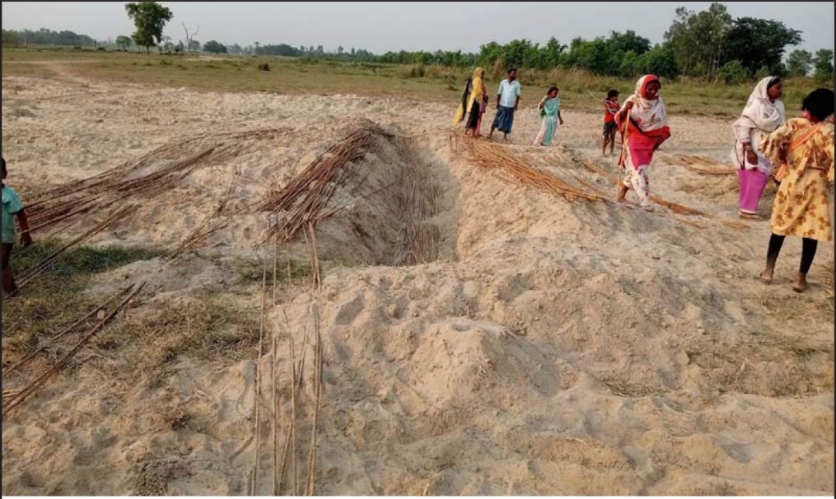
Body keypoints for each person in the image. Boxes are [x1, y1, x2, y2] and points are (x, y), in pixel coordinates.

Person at [758, 88, 834, 292]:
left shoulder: (793, 124)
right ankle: (800, 279)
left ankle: (768, 271)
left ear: (807, 106)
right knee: (810, 231)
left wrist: (783, 155)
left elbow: (771, 140)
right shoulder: (829, 132)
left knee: (779, 227)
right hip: (816, 185)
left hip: (791, 180)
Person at [730, 76, 786, 219]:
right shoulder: (756, 104)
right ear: (766, 89)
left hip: (768, 145)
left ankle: (746, 209)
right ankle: (748, 210)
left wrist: (782, 146)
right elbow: (743, 126)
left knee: (759, 176)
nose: (781, 91)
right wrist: (748, 149)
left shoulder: (779, 106)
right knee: (754, 175)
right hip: (752, 142)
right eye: (777, 88)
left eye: (781, 87)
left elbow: (782, 127)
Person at [614, 74, 671, 211]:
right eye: (650, 89)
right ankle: (645, 202)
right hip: (633, 140)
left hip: (649, 142)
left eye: (656, 89)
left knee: (632, 171)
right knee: (640, 170)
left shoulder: (658, 103)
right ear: (642, 87)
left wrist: (657, 142)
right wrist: (625, 109)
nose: (653, 92)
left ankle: (620, 196)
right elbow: (619, 119)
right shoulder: (633, 100)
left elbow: (662, 123)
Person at [2, 157, 34, 297]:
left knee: (2, 262)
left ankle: (11, 291)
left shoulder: (9, 195)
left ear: (4, 174)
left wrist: (25, 232)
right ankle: (11, 288)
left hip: (5, 236)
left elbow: (21, 213)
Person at [488, 68, 521, 140]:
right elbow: (499, 93)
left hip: (510, 106)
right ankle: (490, 133)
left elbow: (518, 95)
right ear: (509, 74)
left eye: (515, 74)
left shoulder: (517, 84)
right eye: (513, 73)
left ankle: (505, 136)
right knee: (496, 119)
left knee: (508, 121)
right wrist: (497, 103)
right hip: (502, 104)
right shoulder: (503, 82)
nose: (515, 75)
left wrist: (516, 105)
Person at [602, 89, 621, 156]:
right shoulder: (607, 104)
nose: (617, 98)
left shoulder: (616, 104)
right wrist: (607, 107)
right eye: (616, 96)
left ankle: (611, 151)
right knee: (606, 138)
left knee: (613, 137)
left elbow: (619, 112)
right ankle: (603, 152)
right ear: (612, 97)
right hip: (608, 121)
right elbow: (606, 112)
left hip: (614, 121)